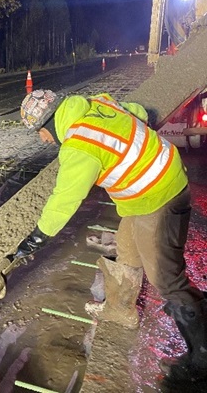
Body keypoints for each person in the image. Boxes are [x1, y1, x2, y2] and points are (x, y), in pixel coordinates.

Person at [15, 88, 207, 383]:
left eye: (40, 131)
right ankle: (121, 310)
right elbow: (141, 113)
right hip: (152, 183)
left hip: (159, 195)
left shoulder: (79, 146)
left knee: (165, 277)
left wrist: (38, 237)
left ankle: (201, 354)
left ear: (51, 122)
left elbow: (65, 198)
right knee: (127, 246)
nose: (42, 138)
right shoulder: (97, 103)